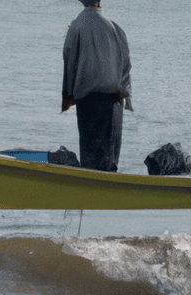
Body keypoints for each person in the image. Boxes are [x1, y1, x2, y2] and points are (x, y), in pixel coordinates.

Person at [61, 0, 131, 172]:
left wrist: (67, 95)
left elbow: (69, 61)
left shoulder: (76, 26)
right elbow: (126, 68)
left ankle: (90, 193)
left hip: (88, 100)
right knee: (110, 159)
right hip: (114, 102)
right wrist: (126, 97)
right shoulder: (115, 28)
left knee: (90, 158)